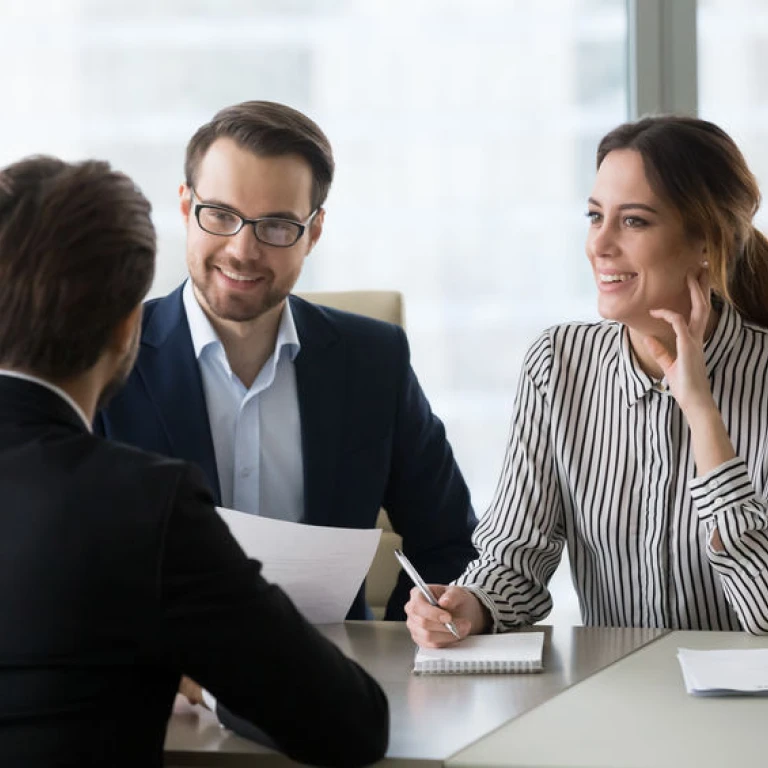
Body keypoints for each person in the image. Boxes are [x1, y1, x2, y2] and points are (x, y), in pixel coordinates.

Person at [0, 155, 388, 767]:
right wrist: (207, 681)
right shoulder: (141, 506)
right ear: (130, 325)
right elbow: (352, 724)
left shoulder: (369, 361)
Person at [95, 100, 477, 623]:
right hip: (161, 686)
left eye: (276, 225)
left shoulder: (374, 361)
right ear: (186, 208)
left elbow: (451, 544)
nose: (243, 249)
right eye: (221, 215)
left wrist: (396, 650)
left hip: (337, 678)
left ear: (313, 232)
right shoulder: (105, 355)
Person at [405, 115, 768, 647]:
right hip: (612, 697)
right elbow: (514, 559)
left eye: (634, 222)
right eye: (595, 216)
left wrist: (701, 411)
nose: (599, 244)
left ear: (707, 243)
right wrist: (472, 604)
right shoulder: (559, 362)